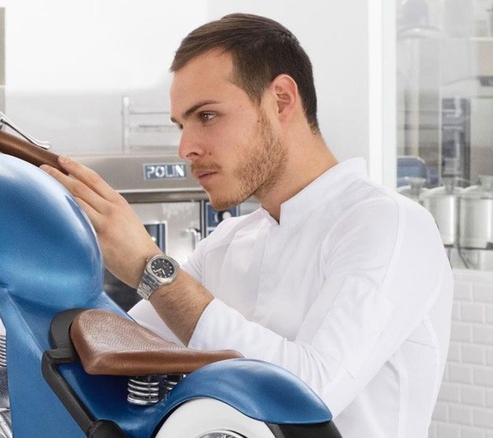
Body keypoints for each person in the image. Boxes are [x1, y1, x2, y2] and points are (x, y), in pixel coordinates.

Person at [42, 13, 452, 438]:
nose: (186, 148)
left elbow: (308, 395)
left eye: (207, 116)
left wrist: (149, 265)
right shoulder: (228, 242)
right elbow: (121, 352)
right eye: (181, 125)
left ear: (281, 100)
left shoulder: (389, 224)